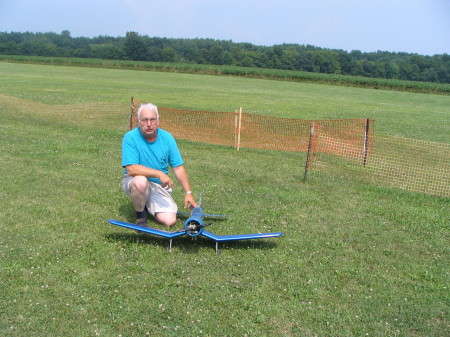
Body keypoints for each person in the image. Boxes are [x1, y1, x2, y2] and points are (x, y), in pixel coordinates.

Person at [121, 103, 197, 227]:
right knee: (141, 182)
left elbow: (178, 168)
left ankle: (145, 202)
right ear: (138, 121)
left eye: (152, 119)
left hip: (158, 185)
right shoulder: (130, 138)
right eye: (145, 120)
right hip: (135, 180)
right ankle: (141, 216)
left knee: (170, 221)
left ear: (158, 121)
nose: (149, 124)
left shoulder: (167, 138)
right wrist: (159, 173)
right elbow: (131, 169)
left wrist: (188, 193)